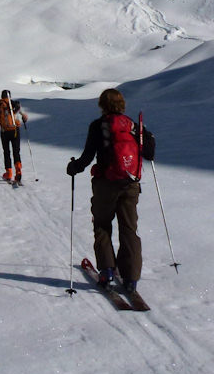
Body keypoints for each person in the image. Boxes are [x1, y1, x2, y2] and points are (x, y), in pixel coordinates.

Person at [66, 88, 154, 293]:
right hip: (130, 183)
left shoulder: (98, 125)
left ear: (102, 105)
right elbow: (149, 153)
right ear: (122, 104)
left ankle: (107, 271)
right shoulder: (133, 125)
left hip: (105, 183)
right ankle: (131, 278)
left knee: (102, 224)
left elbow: (88, 156)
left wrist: (74, 167)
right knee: (129, 228)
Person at [0, 89, 27, 182]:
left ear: (1, 96)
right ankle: (18, 169)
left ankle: (9, 173)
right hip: (15, 130)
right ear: (10, 96)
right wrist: (23, 118)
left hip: (4, 131)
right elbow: (25, 116)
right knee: (16, 151)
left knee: (6, 152)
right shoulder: (15, 104)